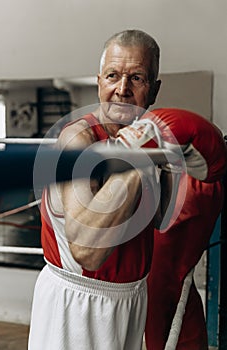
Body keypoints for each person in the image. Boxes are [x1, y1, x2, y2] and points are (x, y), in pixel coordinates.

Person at [28, 29, 227, 350]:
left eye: (137, 78)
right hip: (78, 302)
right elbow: (86, 251)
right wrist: (138, 160)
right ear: (99, 82)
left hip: (132, 298)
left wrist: (168, 154)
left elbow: (165, 220)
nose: (122, 89)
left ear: (154, 89)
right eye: (112, 76)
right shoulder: (78, 140)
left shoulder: (155, 141)